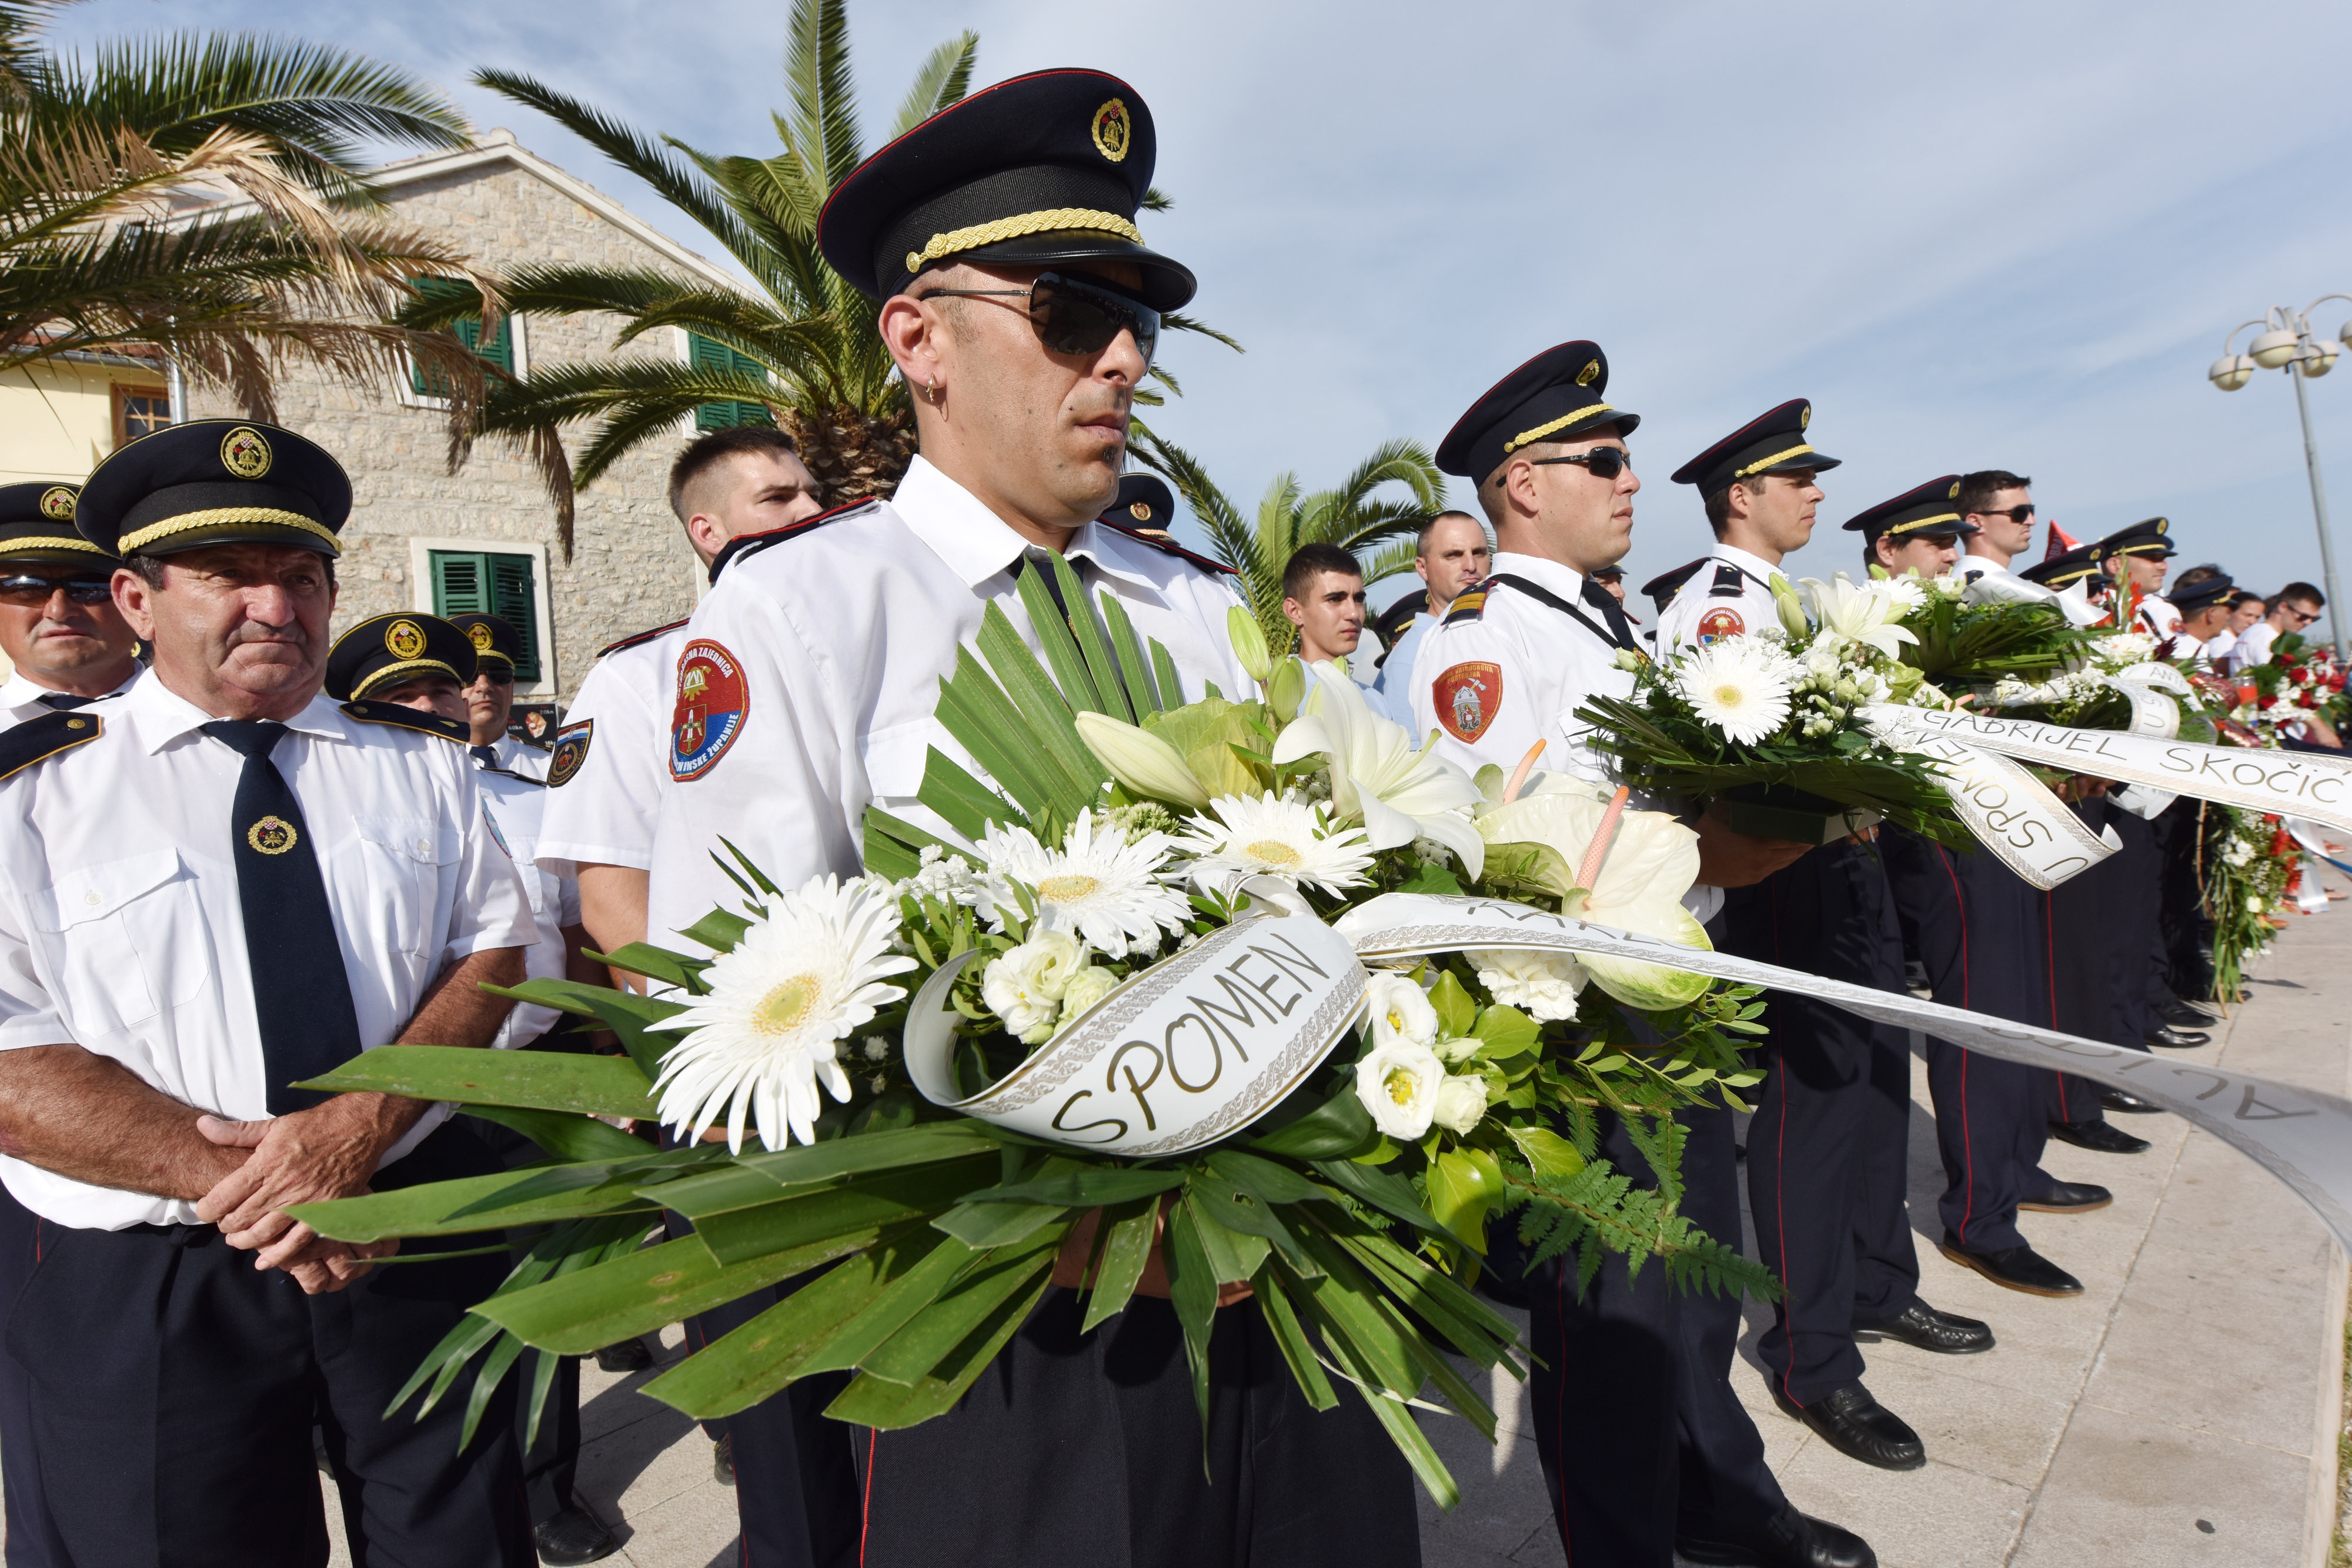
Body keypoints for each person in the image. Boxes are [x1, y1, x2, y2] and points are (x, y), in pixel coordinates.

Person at [651, 68, 1409, 1568]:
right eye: (1069, 312)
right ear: (917, 337)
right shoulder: (799, 612)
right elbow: (731, 1008)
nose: (1122, 357)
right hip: (1009, 1315)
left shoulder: (1197, 608)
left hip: (1283, 1266)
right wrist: (1055, 1213)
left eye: (1139, 319)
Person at [0, 419, 537, 1565]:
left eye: (300, 577)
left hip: (404, 1227)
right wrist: (266, 1185)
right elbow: (9, 1048)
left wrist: (363, 1128)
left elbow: (494, 947)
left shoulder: (419, 763)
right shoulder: (35, 793)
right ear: (136, 601)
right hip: (160, 1271)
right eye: (226, 576)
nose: (274, 608)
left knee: (463, 1541)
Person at [1413, 342, 1869, 1568]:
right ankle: (1625, 1541)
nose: (1631, 482)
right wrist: (1725, 849)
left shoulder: (1603, 621)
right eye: (1604, 460)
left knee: (1693, 1288)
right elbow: (1516, 854)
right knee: (1606, 1317)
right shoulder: (1482, 641)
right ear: (1518, 485)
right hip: (1580, 1020)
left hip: (1666, 986)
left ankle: (1716, 1495)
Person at [1662, 408, 1988, 1479]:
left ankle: (1880, 1285)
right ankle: (1814, 1356)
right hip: (1784, 876)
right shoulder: (1718, 610)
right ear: (1737, 496)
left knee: (1875, 1087)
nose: (1813, 493)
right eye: (1792, 478)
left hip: (1844, 862)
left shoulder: (1788, 601)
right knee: (1812, 1112)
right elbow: (1733, 758)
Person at [1858, 479, 2111, 1308]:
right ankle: (1981, 1217)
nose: (1949, 553)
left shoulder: (1957, 612)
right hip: (1946, 835)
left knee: (2020, 1003)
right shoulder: (1873, 625)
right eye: (1931, 539)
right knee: (1981, 1011)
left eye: (1950, 536)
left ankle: (2014, 1163)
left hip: (2007, 821)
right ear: (1887, 548)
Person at [541, 427, 826, 971]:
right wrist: (698, 1034)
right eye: (778, 497)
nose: (810, 508)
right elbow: (611, 895)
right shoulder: (637, 677)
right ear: (708, 531)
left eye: (813, 492)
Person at [0, 480, 141, 1566]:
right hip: (39, 1169)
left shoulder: (226, 738)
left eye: (87, 583)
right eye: (22, 582)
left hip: (222, 1167)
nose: (59, 605)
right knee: (60, 1460)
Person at [1653, 397, 1834, 652]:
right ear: (1741, 499)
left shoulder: (1755, 593)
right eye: (1797, 482)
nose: (1817, 494)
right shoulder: (1726, 608)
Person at [0, 481, 143, 726]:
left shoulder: (215, 722)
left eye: (91, 588)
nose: (59, 611)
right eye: (27, 588)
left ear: (136, 599)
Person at [1369, 510, 1489, 719]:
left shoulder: (1499, 633)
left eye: (1479, 552)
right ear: (1422, 568)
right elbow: (1411, 750)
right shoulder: (1408, 661)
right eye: (1453, 555)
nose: (1471, 566)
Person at [448, 611, 550, 778]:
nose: (484, 686)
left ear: (511, 690)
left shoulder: (548, 768)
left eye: (499, 675)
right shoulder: (434, 771)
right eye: (470, 676)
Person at [1281, 540, 1371, 668]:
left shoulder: (1368, 689)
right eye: (1334, 599)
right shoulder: (1272, 688)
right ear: (1294, 612)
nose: (1354, 614)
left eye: (1358, 599)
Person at [2093, 518, 2177, 637]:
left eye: (2163, 559)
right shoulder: (2096, 611)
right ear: (2115, 566)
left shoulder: (2150, 610)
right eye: (2152, 558)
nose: (2163, 566)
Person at [2233, 581, 2326, 673]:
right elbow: (2273, 681)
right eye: (2304, 616)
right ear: (2283, 607)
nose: (2308, 622)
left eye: (2315, 619)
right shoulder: (2268, 638)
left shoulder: (2256, 632)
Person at [2204, 589, 2264, 668]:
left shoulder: (2231, 640)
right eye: (2248, 615)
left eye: (2257, 617)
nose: (2252, 622)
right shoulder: (2225, 643)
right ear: (2230, 613)